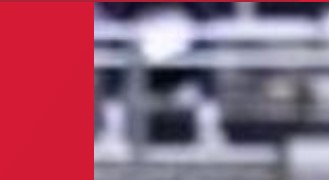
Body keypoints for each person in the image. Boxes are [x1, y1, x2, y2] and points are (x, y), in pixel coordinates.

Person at [95, 2, 232, 153]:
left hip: (181, 59)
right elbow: (116, 16)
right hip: (140, 54)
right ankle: (112, 133)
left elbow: (208, 18)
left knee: (206, 51)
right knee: (114, 53)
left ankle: (209, 132)